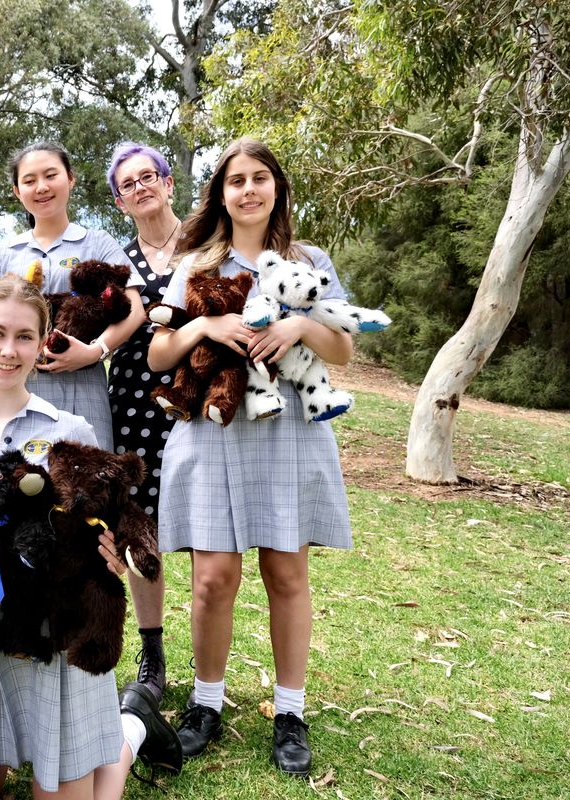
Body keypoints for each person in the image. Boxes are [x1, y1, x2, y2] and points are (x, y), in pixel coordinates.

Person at [0, 274, 181, 799]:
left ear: (42, 343)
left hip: (58, 636)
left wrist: (113, 559)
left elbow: (106, 524)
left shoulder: (71, 429)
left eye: (24, 337)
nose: (9, 351)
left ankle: (131, 728)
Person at [147, 138, 354, 777]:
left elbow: (343, 348)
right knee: (213, 579)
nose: (248, 190)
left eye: (259, 178)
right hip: (212, 429)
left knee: (286, 574)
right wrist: (205, 328)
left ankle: (290, 710)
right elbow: (157, 357)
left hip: (288, 427)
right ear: (221, 194)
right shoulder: (195, 264)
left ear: (277, 189)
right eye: (235, 180)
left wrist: (299, 327)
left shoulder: (309, 259)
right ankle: (205, 704)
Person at [0, 141, 146, 452]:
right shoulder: (3, 254)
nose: (41, 187)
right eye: (29, 180)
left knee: (89, 484)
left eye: (51, 175)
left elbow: (135, 310)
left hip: (83, 389)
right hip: (17, 390)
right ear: (17, 191)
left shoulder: (97, 242)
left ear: (70, 179)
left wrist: (95, 351)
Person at [104, 142, 184, 699]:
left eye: (147, 176)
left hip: (196, 400)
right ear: (118, 201)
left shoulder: (208, 244)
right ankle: (152, 655)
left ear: (169, 182)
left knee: (203, 526)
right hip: (131, 401)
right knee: (139, 528)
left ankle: (209, 671)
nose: (140, 187)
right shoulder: (119, 261)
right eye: (127, 184)